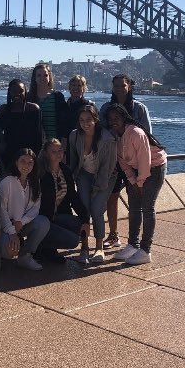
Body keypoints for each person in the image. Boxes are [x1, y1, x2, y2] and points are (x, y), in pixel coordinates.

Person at [106, 104, 168, 265]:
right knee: (133, 207)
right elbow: (122, 162)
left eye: (117, 118)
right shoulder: (116, 136)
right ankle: (133, 245)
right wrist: (132, 181)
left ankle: (145, 250)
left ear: (124, 118)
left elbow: (144, 161)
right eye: (110, 119)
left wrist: (140, 183)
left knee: (147, 207)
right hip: (136, 169)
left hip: (154, 167)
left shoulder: (135, 133)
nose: (113, 122)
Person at [99, 74, 153, 250]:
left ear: (129, 86)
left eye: (123, 86)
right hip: (113, 160)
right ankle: (114, 235)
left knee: (135, 201)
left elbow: (148, 137)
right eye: (116, 86)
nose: (119, 89)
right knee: (112, 197)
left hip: (134, 162)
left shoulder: (140, 108)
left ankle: (134, 240)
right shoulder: (106, 108)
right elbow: (101, 132)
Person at [66, 105, 118, 264]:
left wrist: (97, 188)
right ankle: (84, 247)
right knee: (84, 210)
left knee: (96, 210)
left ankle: (99, 248)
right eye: (81, 120)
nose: (85, 123)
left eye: (89, 119)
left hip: (106, 176)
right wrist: (73, 178)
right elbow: (74, 160)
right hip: (84, 174)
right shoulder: (75, 136)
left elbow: (107, 168)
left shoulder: (107, 139)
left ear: (96, 119)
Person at [36, 138, 88, 264]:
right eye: (53, 151)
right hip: (43, 219)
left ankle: (49, 250)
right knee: (73, 241)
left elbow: (73, 196)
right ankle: (38, 248)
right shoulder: (40, 173)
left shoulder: (65, 171)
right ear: (46, 154)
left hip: (58, 216)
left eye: (60, 150)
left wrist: (85, 219)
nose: (58, 153)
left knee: (77, 224)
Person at [0, 148, 49, 270]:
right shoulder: (7, 181)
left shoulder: (35, 182)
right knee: (9, 253)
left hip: (21, 224)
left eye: (30, 162)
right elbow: (1, 209)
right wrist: (12, 232)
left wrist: (22, 222)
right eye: (23, 161)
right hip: (6, 226)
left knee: (43, 223)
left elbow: (36, 208)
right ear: (16, 163)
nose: (26, 165)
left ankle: (25, 255)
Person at [0, 79, 43, 172]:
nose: (17, 94)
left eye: (21, 91)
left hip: (29, 154)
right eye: (14, 91)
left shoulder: (33, 109)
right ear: (9, 93)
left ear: (25, 91)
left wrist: (36, 156)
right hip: (9, 154)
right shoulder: (3, 110)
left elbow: (39, 135)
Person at [26, 63, 70, 142]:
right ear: (34, 78)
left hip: (55, 143)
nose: (42, 78)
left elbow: (65, 120)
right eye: (39, 75)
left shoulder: (58, 97)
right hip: (34, 142)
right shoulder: (28, 97)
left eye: (45, 75)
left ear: (49, 77)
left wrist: (64, 138)